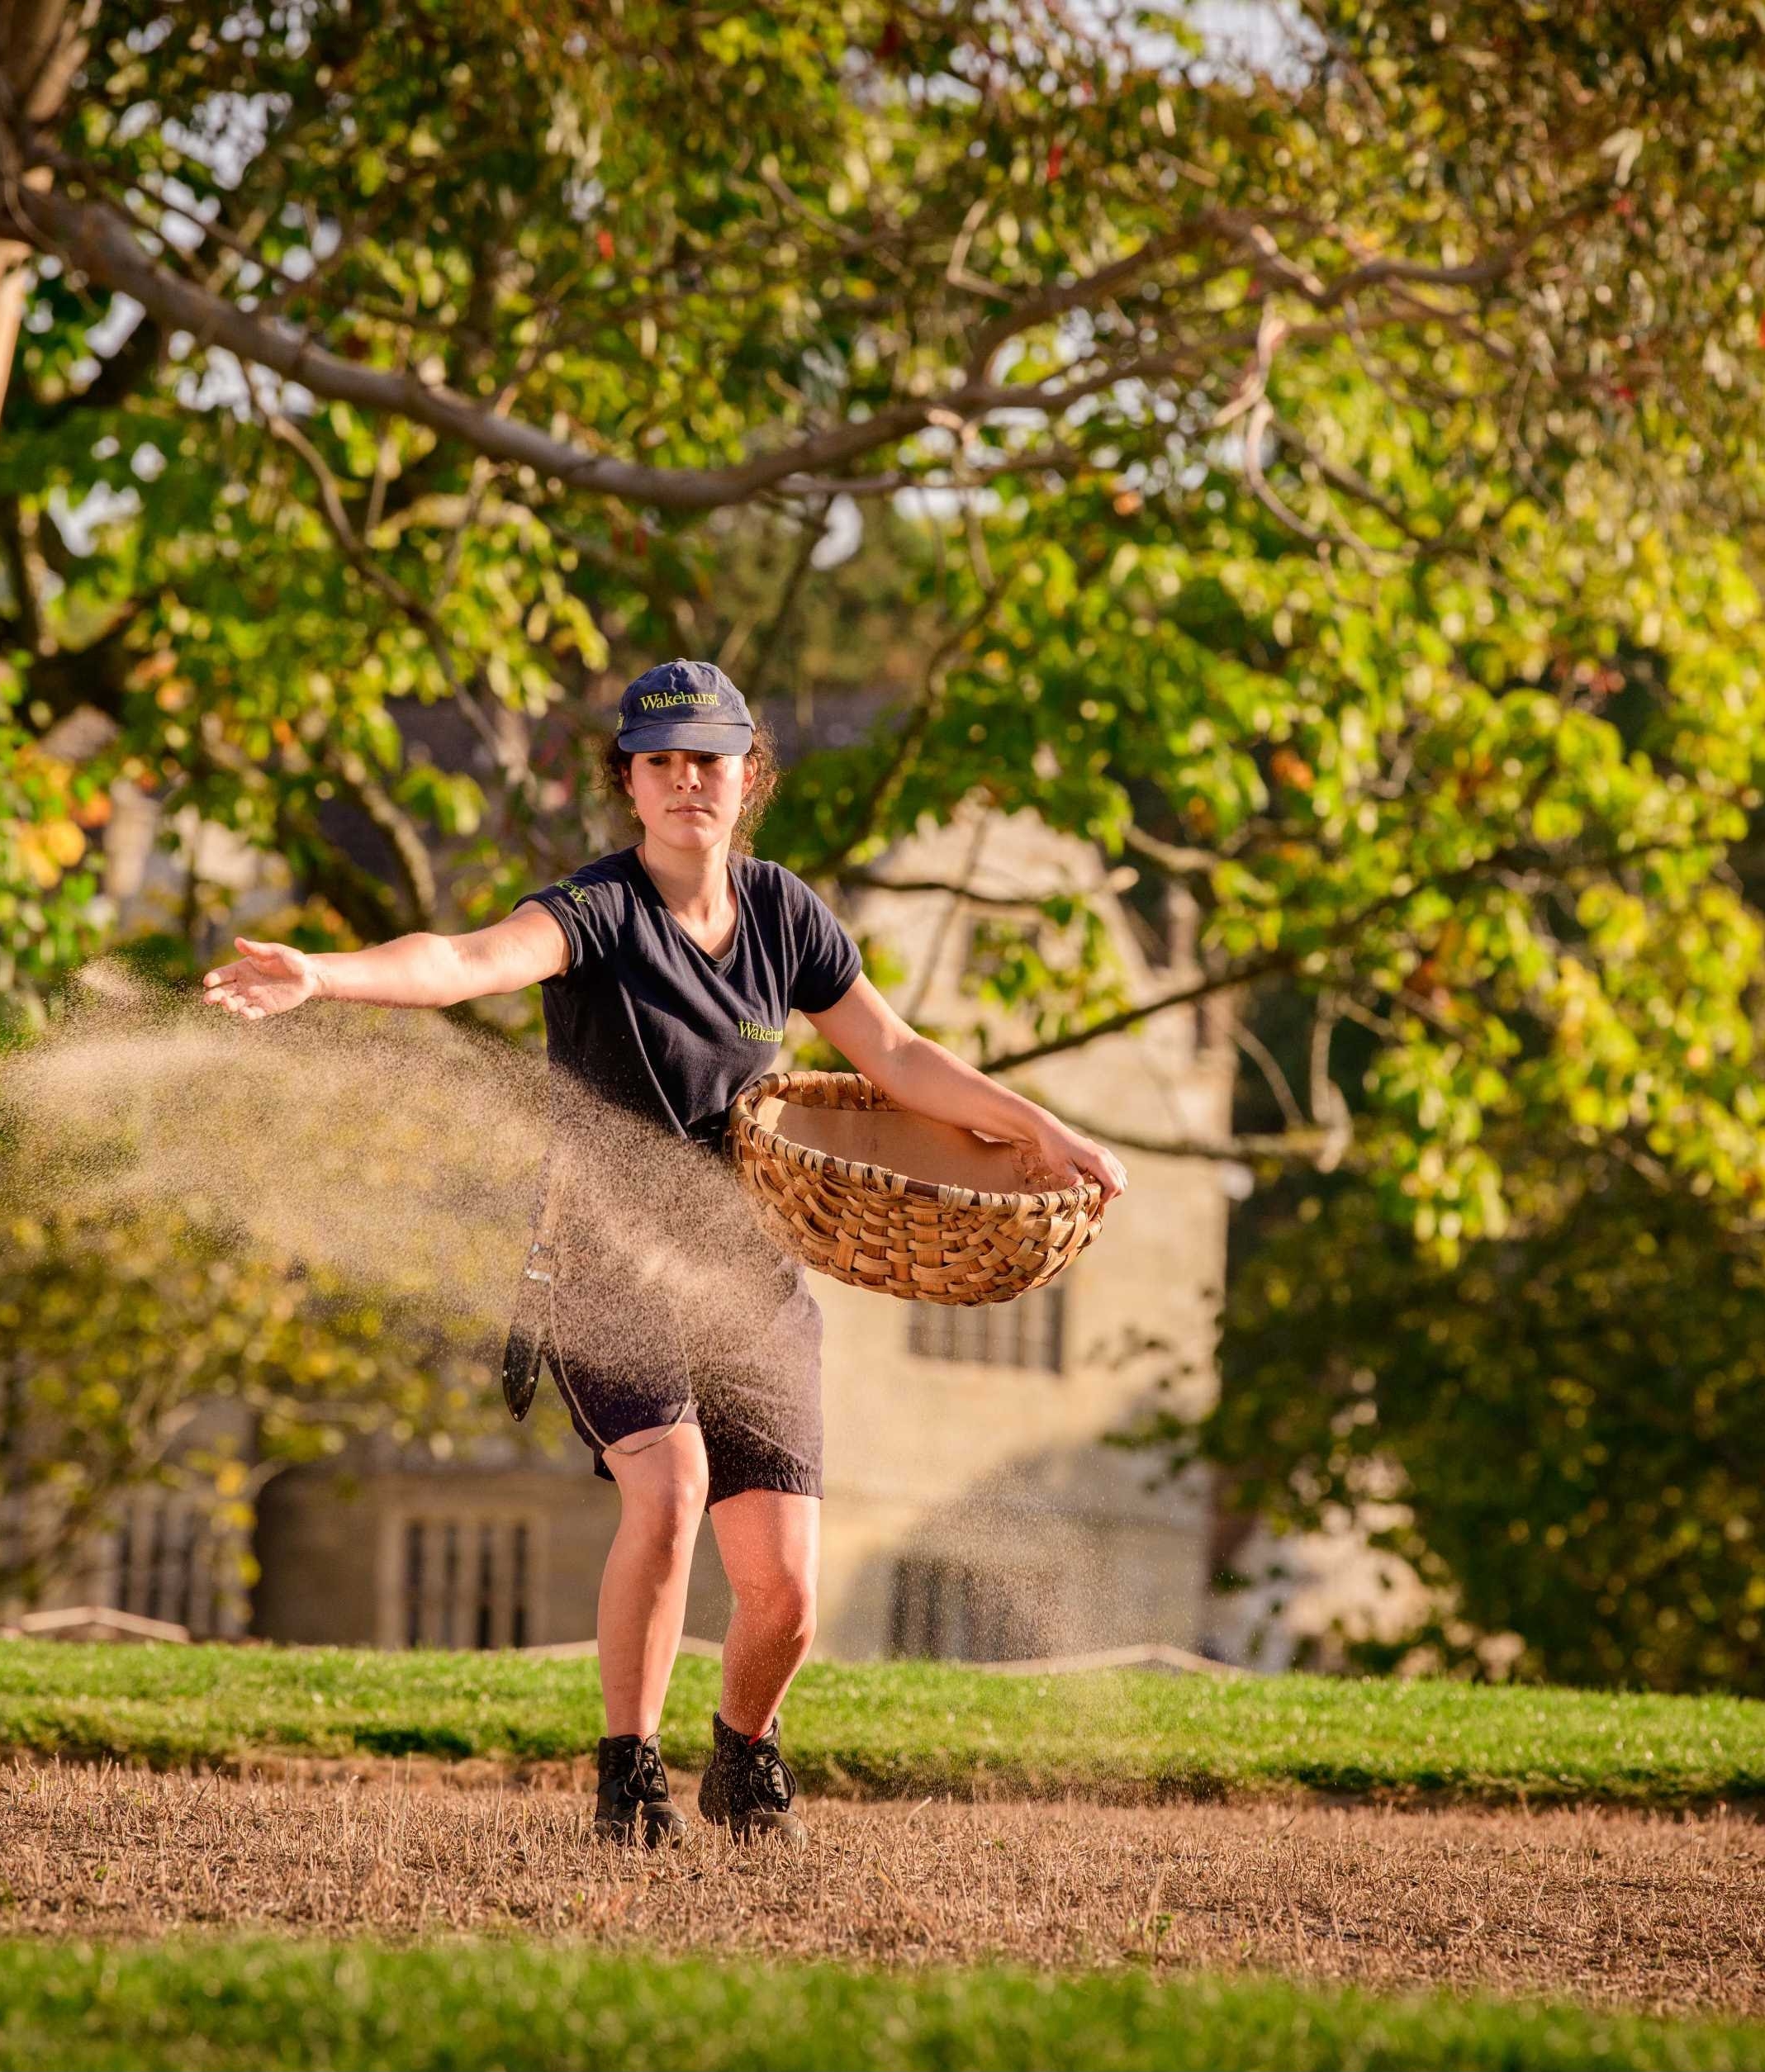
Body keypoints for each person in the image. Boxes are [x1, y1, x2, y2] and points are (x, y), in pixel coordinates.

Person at [201, 658, 1127, 1843]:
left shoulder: (786, 913)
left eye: (712, 757)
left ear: (750, 777)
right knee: (672, 1482)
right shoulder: (594, 912)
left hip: (751, 1283)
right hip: (603, 1271)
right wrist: (322, 975)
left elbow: (895, 1056)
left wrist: (1043, 1132)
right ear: (631, 784)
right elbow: (463, 960)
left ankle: (742, 1755)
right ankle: (628, 1767)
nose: (689, 778)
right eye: (663, 760)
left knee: (786, 1592)